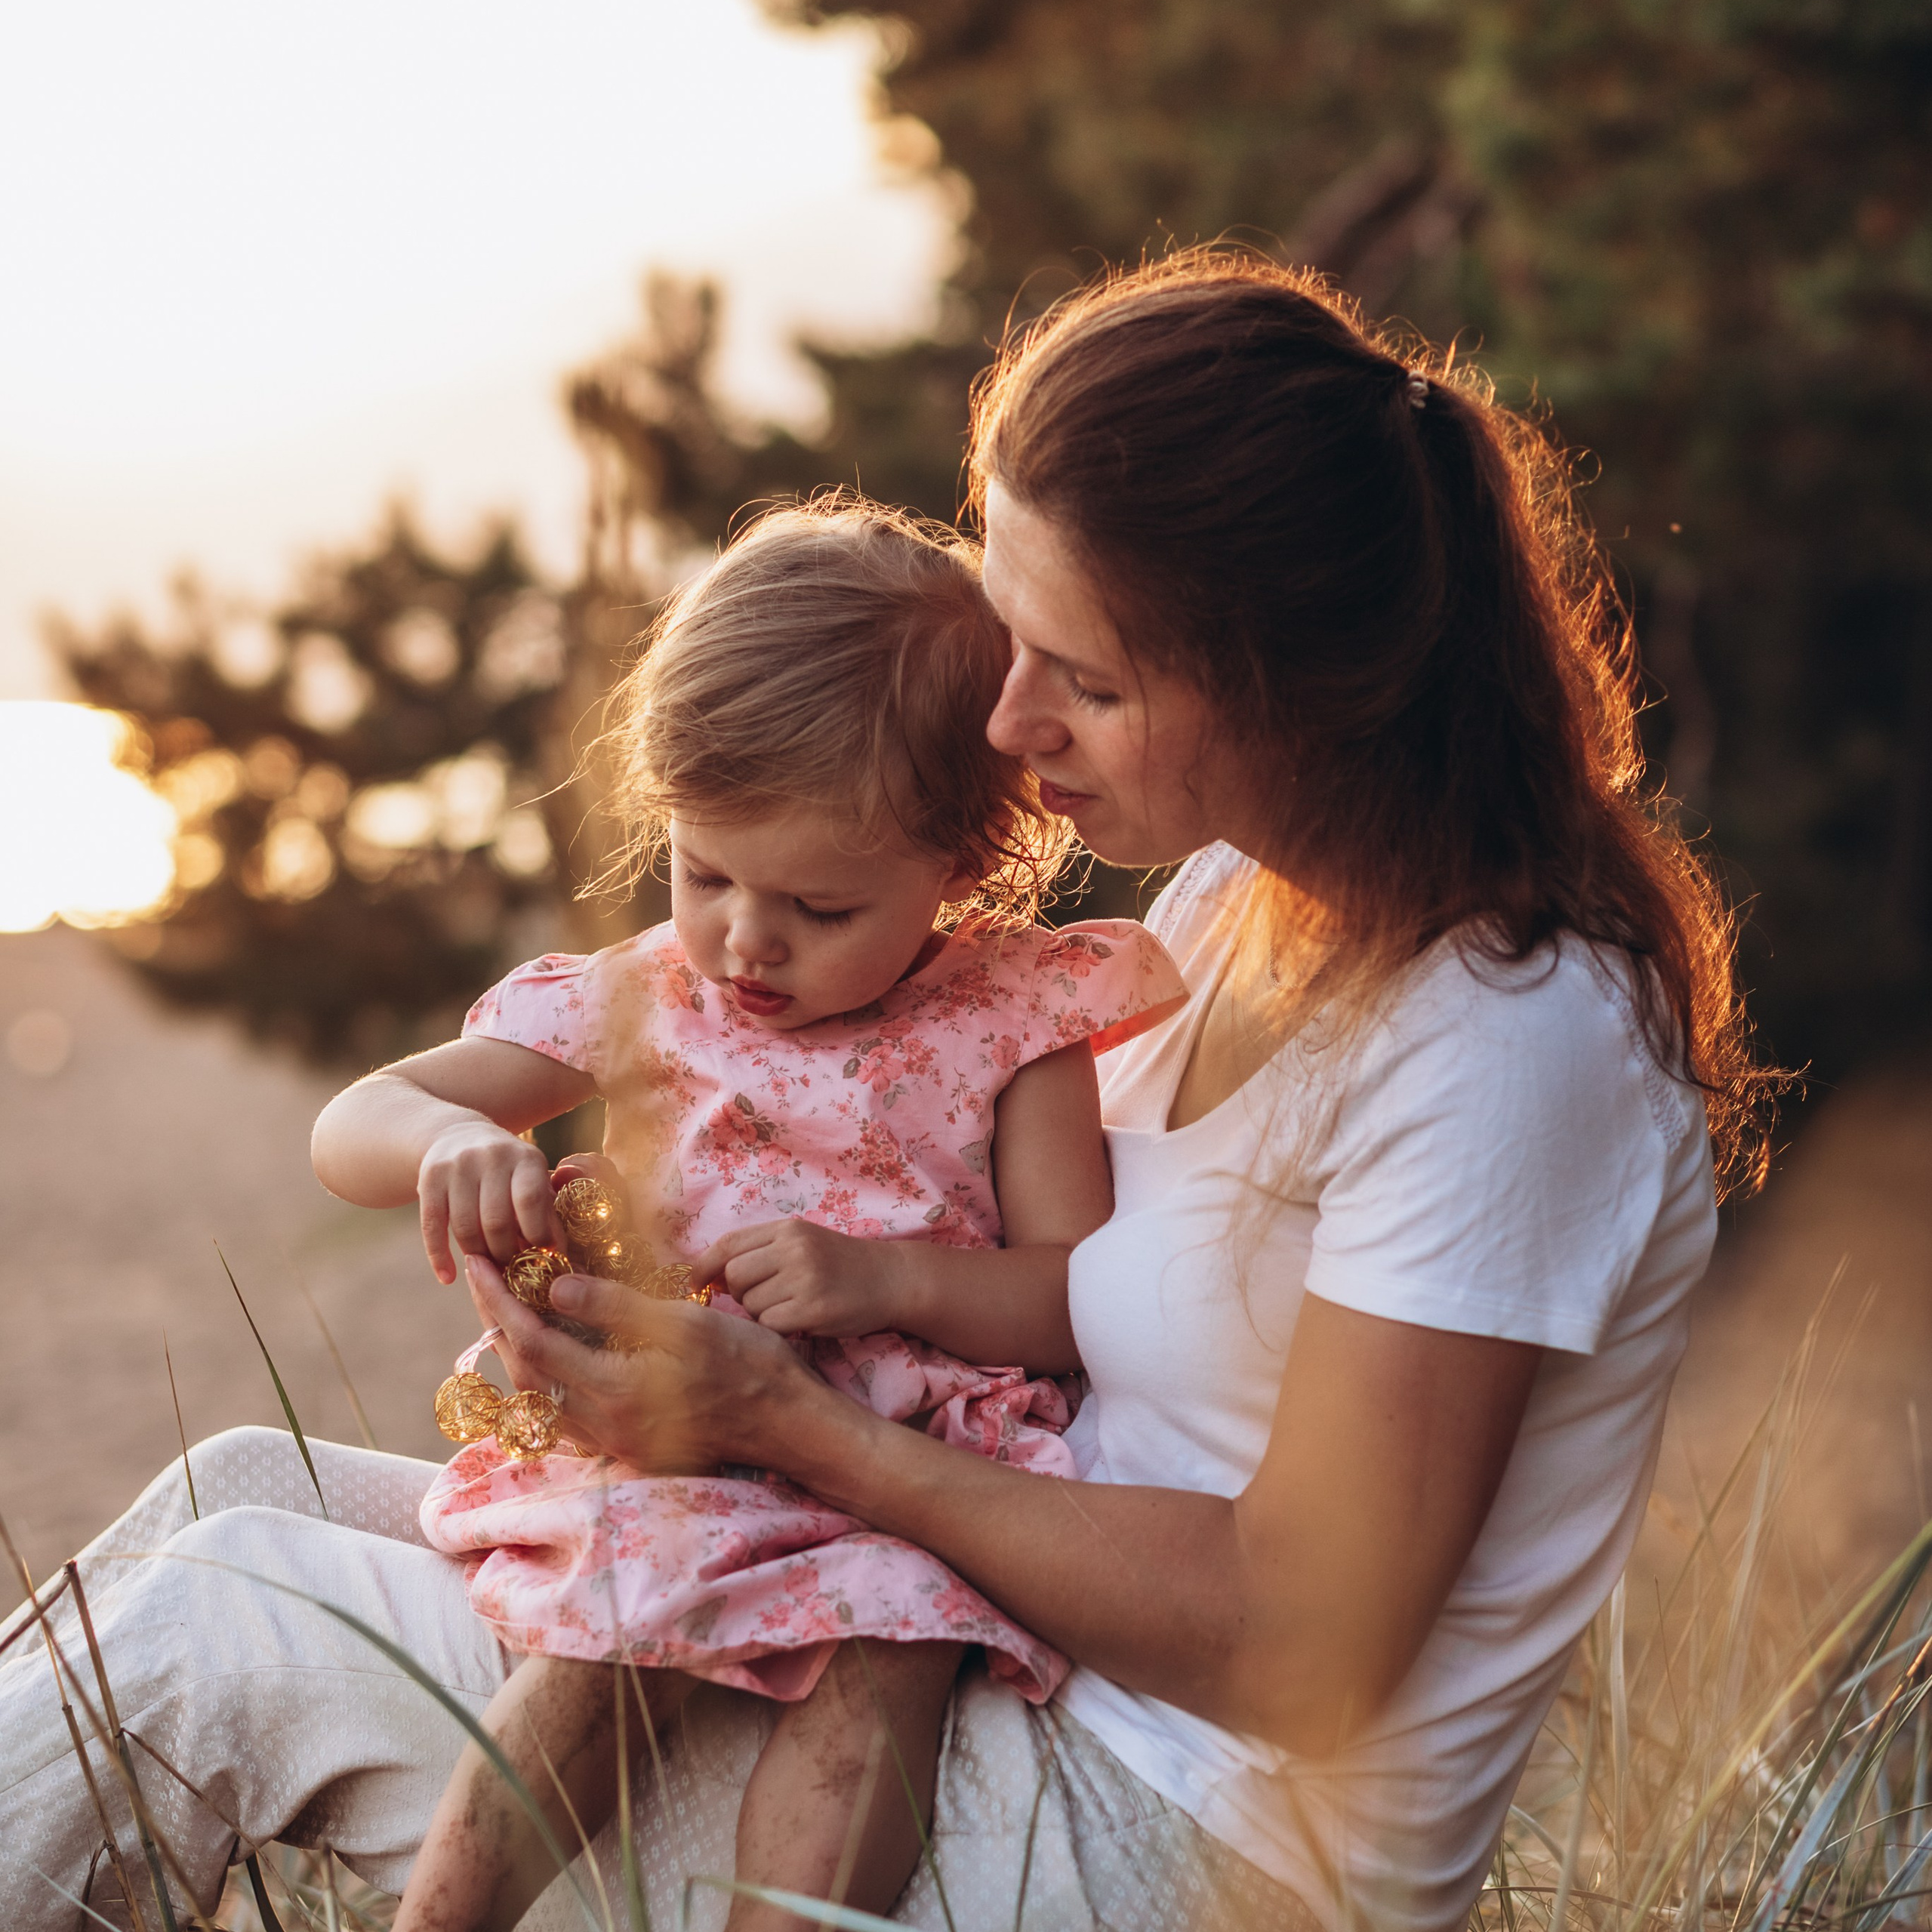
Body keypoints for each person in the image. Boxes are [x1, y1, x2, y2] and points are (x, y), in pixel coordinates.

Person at [0, 250, 1777, 1932]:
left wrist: (793, 1426)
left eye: (1083, 678)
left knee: (220, 1635)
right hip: (970, 1621)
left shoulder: (1508, 1043)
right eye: (1011, 638)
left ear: (1293, 686)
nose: (1007, 725)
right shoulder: (1242, 902)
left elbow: (1294, 1635)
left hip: (1154, 1832)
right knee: (244, 1479)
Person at [310, 500, 1186, 1931]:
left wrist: (884, 1280)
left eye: (819, 905)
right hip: (666, 1455)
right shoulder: (649, 991)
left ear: (964, 863)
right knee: (599, 1642)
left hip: (901, 1475)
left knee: (894, 1655)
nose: (743, 941)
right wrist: (450, 1139)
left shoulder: (1018, 1023)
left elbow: (1073, 1292)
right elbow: (352, 1123)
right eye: (703, 872)